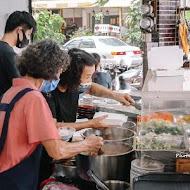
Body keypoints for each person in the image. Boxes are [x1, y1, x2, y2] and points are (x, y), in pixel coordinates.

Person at [0, 39, 103, 190]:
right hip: (15, 179)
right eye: (59, 72)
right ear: (50, 70)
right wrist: (87, 144)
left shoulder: (11, 92)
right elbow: (57, 150)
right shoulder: (33, 98)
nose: (59, 77)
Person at [0, 11, 36, 96]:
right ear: (19, 31)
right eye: (28, 34)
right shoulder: (9, 54)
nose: (27, 39)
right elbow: (20, 86)